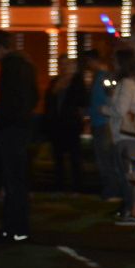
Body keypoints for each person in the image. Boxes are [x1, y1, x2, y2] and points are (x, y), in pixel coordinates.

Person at [0, 29, 38, 243]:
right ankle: (20, 227)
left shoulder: (8, 67)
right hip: (23, 127)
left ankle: (11, 227)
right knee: (19, 179)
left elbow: (6, 102)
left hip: (9, 129)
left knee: (11, 180)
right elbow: (33, 96)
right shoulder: (26, 65)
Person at [104, 48, 135, 226]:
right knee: (131, 173)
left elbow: (120, 110)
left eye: (114, 61)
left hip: (126, 135)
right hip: (130, 135)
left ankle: (133, 212)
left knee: (129, 175)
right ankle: (131, 210)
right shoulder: (134, 82)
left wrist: (104, 109)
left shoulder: (126, 84)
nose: (113, 64)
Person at [43, 54, 87, 193]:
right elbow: (48, 102)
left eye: (66, 64)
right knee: (58, 157)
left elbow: (82, 100)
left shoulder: (77, 81)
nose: (64, 67)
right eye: (61, 64)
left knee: (75, 157)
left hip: (72, 124)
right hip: (57, 125)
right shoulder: (55, 82)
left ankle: (77, 188)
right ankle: (59, 186)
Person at [85, 49, 123, 200]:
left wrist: (103, 111)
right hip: (99, 121)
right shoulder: (98, 77)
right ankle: (110, 190)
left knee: (105, 159)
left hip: (104, 122)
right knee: (104, 159)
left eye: (89, 62)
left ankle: (112, 191)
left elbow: (110, 98)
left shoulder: (104, 77)